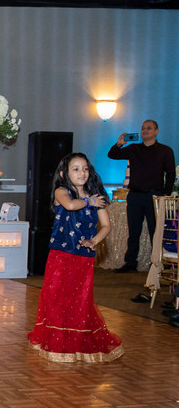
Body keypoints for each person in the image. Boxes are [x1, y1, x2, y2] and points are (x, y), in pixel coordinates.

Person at [28, 153, 123, 363]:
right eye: (76, 169)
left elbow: (107, 226)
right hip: (61, 255)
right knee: (55, 296)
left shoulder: (96, 196)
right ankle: (56, 340)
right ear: (65, 173)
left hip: (84, 257)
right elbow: (71, 206)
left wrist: (94, 241)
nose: (82, 173)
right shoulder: (62, 192)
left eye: (85, 168)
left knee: (80, 300)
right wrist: (89, 201)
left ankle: (77, 341)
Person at [108, 119, 176, 273]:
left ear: (156, 131)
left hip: (154, 196)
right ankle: (130, 263)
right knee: (134, 232)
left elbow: (170, 173)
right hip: (135, 195)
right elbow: (112, 155)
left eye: (149, 128)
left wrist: (165, 193)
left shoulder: (166, 151)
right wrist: (119, 143)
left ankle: (156, 264)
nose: (145, 131)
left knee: (155, 232)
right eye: (143, 128)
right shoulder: (133, 148)